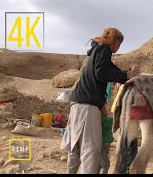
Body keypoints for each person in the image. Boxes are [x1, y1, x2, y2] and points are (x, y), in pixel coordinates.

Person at [60, 27, 140, 174]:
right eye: (118, 44)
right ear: (113, 40)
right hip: (88, 108)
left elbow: (111, 69)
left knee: (75, 147)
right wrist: (127, 74)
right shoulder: (104, 50)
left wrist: (125, 75)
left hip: (78, 103)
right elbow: (102, 73)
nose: (118, 47)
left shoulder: (97, 51)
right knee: (90, 150)